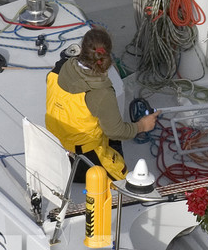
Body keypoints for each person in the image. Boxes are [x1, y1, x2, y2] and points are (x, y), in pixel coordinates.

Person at [45, 28, 156, 182]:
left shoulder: (58, 69)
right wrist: (142, 125)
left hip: (53, 146)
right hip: (83, 157)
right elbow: (116, 131)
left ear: (82, 50)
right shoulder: (102, 93)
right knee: (123, 182)